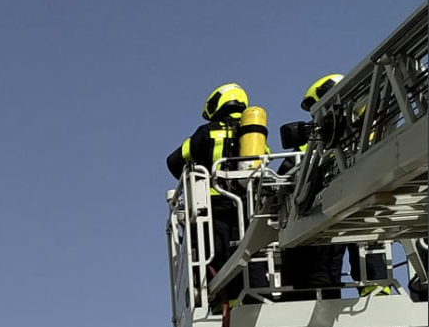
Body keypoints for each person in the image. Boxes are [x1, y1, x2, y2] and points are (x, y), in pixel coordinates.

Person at [280, 74, 390, 299]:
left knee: (320, 266)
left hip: (321, 222)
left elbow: (283, 178)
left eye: (315, 107)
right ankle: (376, 290)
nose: (314, 115)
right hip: (347, 217)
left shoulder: (314, 147)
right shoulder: (369, 130)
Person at [166, 83, 268, 306]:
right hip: (248, 203)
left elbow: (175, 160)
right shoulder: (254, 134)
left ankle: (224, 301)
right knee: (252, 248)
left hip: (214, 204)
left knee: (218, 253)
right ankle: (258, 294)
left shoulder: (208, 131)